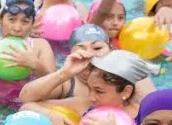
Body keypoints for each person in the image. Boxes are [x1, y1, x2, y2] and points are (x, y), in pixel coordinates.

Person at [21, 51, 156, 125]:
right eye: (90, 89)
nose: (91, 97)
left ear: (126, 92)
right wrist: (48, 115)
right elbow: (26, 104)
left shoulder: (146, 120)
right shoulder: (86, 106)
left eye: (99, 91)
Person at [19, 24, 155, 111]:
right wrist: (63, 73)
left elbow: (153, 112)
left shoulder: (132, 76)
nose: (89, 54)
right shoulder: (68, 81)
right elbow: (25, 98)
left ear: (111, 49)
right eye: (81, 48)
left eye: (97, 48)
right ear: (71, 54)